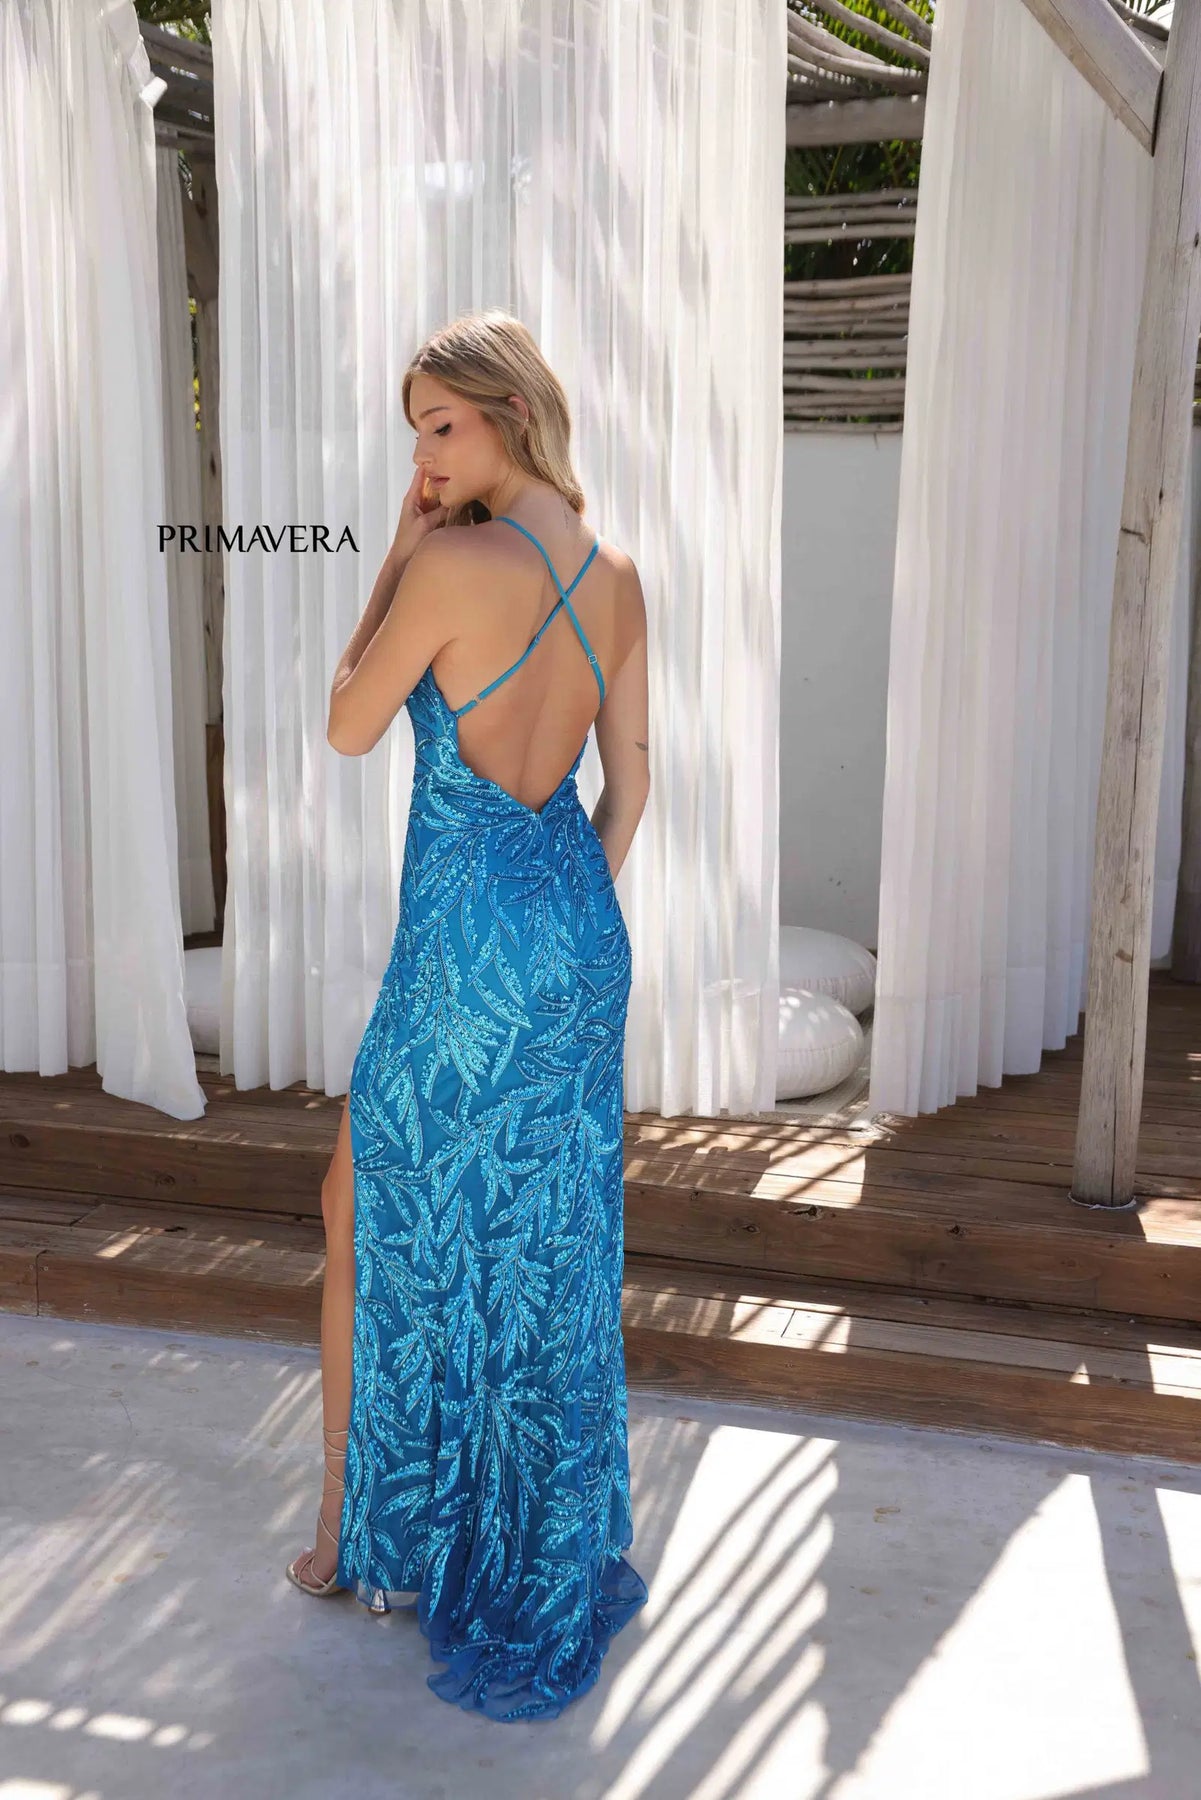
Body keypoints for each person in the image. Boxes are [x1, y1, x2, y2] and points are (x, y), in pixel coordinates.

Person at [285, 310, 652, 1722]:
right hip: (576, 940)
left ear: (510, 412)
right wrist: (557, 922)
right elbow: (630, 786)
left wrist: (393, 556)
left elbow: (346, 722)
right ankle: (502, 1533)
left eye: (440, 427)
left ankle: (352, 1532)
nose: (423, 461)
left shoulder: (447, 562)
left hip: (462, 957)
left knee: (364, 1211)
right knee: (532, 1244)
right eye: (414, 436)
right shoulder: (615, 576)